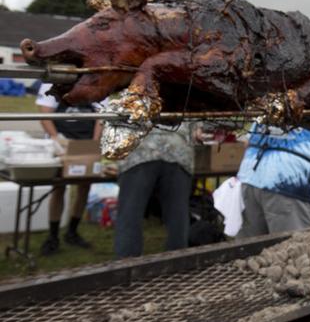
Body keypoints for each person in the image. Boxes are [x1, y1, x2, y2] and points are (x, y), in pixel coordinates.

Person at [36, 82, 105, 255]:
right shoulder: (51, 83)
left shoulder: (95, 80)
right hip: (61, 143)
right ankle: (53, 237)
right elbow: (45, 116)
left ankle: (72, 232)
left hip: (85, 143)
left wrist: (94, 144)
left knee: (84, 187)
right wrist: (57, 139)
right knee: (58, 188)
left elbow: (101, 116)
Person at [112, 124, 196, 258]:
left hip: (138, 151)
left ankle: (126, 266)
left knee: (130, 214)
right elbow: (197, 125)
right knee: (177, 215)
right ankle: (177, 264)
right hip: (177, 149)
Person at [235, 124, 310, 236]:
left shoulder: (270, 109)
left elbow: (247, 143)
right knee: (294, 247)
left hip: (248, 177)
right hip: (288, 182)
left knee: (248, 247)